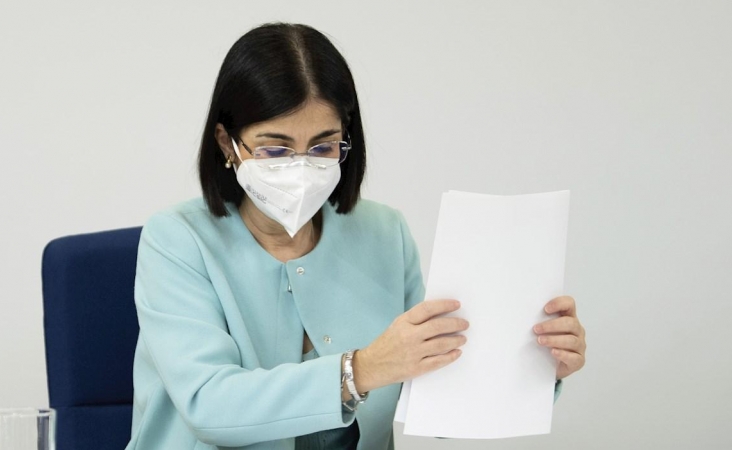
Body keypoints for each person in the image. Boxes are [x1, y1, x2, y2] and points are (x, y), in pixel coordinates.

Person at [125, 22, 587, 450]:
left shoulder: (385, 233)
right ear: (228, 143)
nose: (302, 166)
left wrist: (534, 365)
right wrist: (361, 370)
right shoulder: (177, 240)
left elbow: (436, 396)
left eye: (323, 146)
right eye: (275, 148)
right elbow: (209, 404)